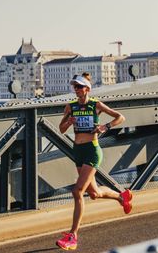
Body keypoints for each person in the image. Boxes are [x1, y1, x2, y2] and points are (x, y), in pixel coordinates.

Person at [56, 73, 132, 251]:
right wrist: (69, 121)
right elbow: (61, 128)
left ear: (87, 89)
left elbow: (120, 117)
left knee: (77, 192)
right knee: (94, 193)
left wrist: (105, 127)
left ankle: (73, 236)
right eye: (75, 86)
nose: (77, 89)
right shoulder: (71, 107)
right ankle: (122, 197)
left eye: (80, 86)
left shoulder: (95, 105)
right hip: (78, 151)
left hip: (92, 151)